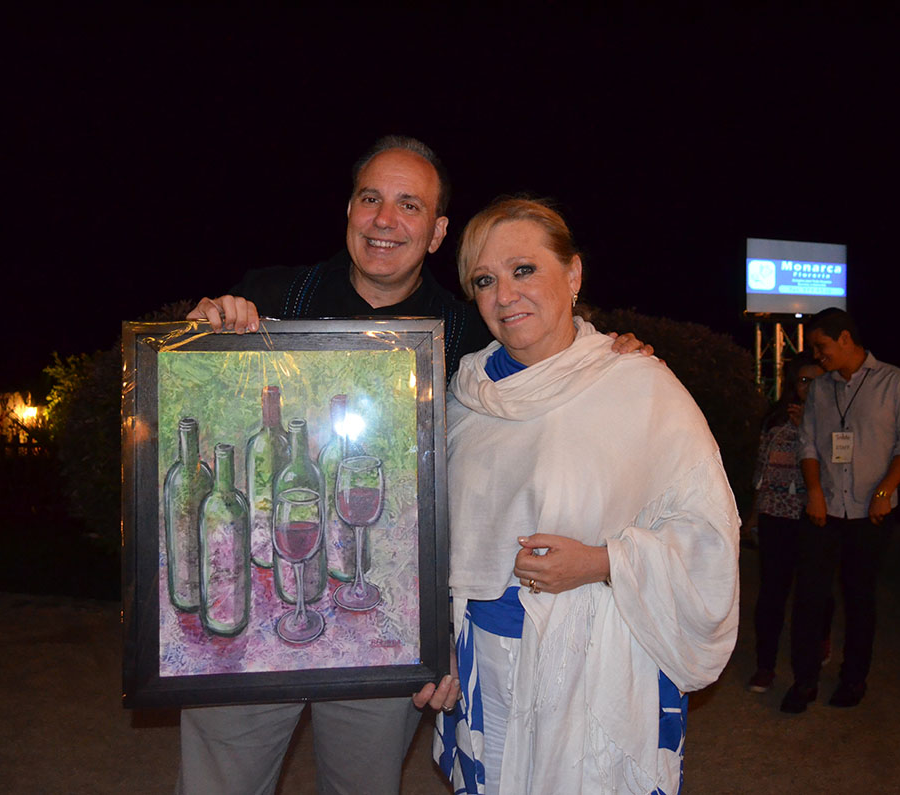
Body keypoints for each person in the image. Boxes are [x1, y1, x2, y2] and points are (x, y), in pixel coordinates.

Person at [181, 137, 650, 795]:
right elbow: (195, 404)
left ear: (436, 232)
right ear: (349, 209)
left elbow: (553, 370)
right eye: (370, 198)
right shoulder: (268, 298)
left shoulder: (468, 335)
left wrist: (610, 354)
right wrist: (198, 335)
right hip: (257, 620)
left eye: (409, 205)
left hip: (385, 630)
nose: (385, 219)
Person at [418, 198, 739, 794]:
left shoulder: (642, 388)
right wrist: (435, 646)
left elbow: (709, 535)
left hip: (597, 667)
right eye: (484, 280)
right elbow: (429, 542)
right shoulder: (463, 400)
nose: (504, 295)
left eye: (524, 270)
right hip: (486, 663)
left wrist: (602, 562)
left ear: (573, 275)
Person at [780, 307, 900, 713]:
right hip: (823, 510)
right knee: (809, 597)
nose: (817, 355)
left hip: (870, 512)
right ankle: (804, 681)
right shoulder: (821, 389)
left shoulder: (896, 382)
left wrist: (885, 491)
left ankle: (854, 679)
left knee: (860, 598)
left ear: (845, 339)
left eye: (821, 346)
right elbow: (808, 443)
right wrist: (814, 491)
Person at [743, 352, 832, 694]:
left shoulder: (831, 419)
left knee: (814, 592)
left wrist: (807, 428)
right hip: (775, 515)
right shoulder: (776, 419)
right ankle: (764, 665)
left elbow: (834, 466)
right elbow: (761, 470)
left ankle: (818, 645)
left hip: (813, 516)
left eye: (816, 380)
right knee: (771, 593)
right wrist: (754, 514)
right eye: (804, 380)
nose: (809, 387)